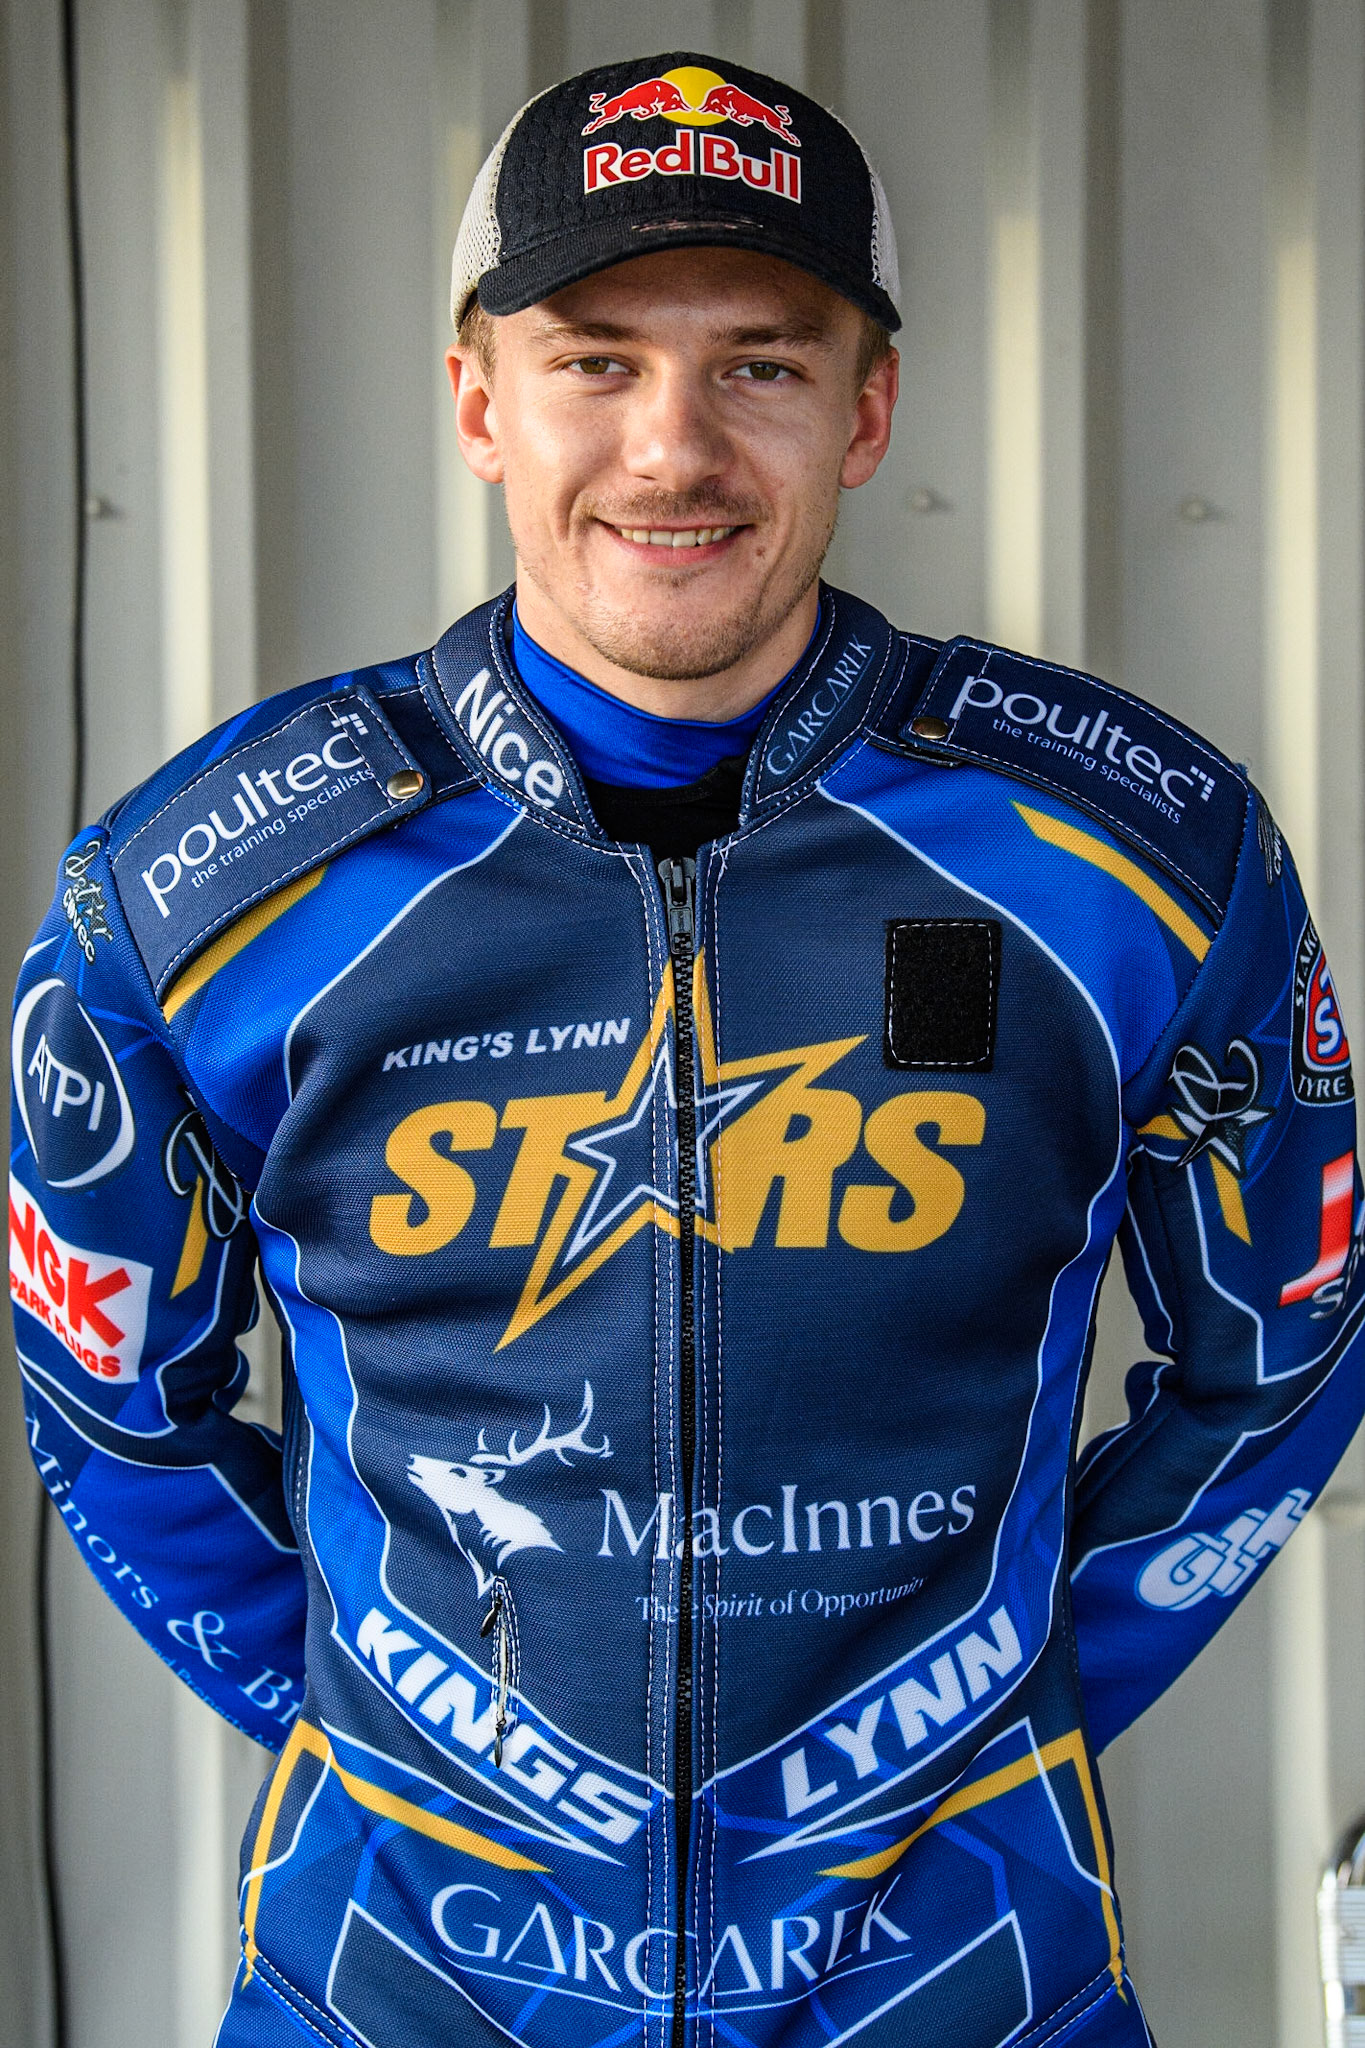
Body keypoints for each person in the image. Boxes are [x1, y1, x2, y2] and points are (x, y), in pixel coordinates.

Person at [11, 48, 1364, 2048]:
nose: (670, 451)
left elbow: (1289, 1342)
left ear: (864, 410)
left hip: (961, 1979)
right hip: (401, 1980)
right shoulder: (207, 881)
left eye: (757, 364)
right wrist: (374, 1725)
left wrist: (999, 1710)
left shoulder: (1127, 850)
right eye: (591, 362)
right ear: (477, 397)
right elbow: (108, 1389)